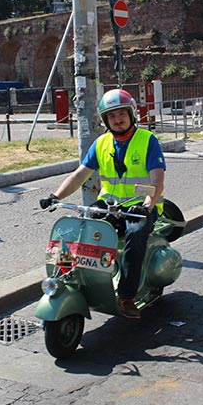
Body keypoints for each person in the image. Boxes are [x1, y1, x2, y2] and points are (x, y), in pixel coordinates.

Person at [43, 88, 166, 319]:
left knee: (136, 234)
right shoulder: (101, 143)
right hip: (109, 205)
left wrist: (148, 205)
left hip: (139, 207)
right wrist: (56, 196)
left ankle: (127, 297)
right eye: (111, 116)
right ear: (105, 120)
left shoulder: (148, 141)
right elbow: (80, 174)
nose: (117, 120)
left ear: (132, 115)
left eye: (121, 114)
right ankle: (72, 277)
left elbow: (157, 179)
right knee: (80, 230)